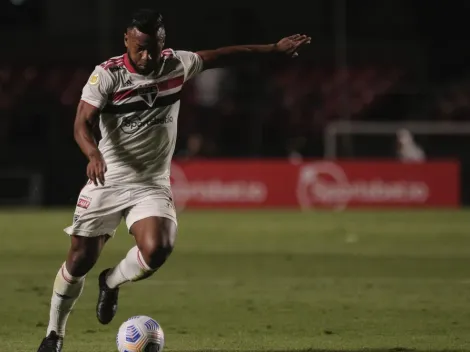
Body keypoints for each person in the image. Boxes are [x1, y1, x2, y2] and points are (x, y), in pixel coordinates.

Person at [37, 8, 310, 352]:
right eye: (140, 48)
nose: (147, 55)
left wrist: (273, 49)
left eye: (153, 47)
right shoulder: (107, 75)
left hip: (151, 182)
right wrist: (93, 154)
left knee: (157, 249)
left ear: (163, 42)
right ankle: (54, 334)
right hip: (108, 179)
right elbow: (81, 123)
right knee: (78, 261)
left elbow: (222, 56)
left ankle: (111, 281)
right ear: (127, 40)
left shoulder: (176, 64)